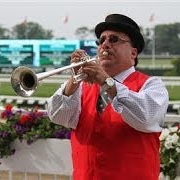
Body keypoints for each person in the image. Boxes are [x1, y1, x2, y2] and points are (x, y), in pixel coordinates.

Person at [47, 14, 169, 180]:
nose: (105, 44)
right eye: (102, 40)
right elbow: (57, 116)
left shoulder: (152, 85)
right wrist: (74, 80)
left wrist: (105, 80)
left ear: (133, 53)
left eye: (114, 39)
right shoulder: (82, 86)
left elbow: (145, 117)